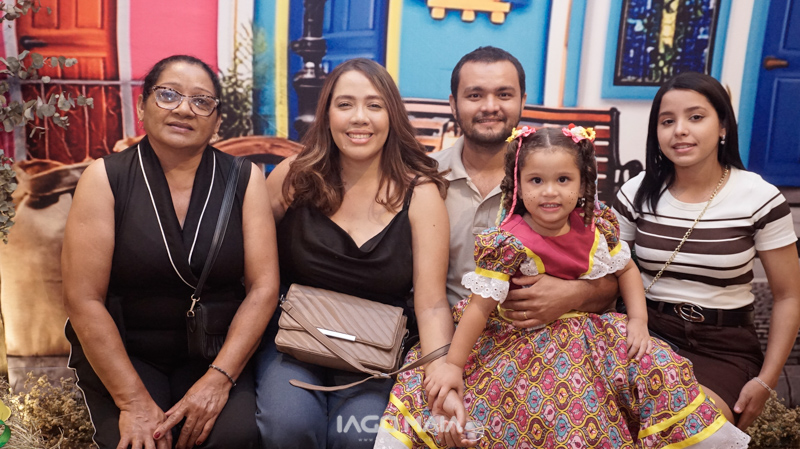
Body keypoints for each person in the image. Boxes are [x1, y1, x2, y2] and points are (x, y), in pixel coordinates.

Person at [377, 126, 750, 448]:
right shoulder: (508, 241)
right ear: (518, 185)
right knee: (547, 403)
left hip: (588, 336)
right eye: (536, 181)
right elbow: (479, 306)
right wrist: (454, 365)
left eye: (563, 180)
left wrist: (638, 321)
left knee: (656, 367)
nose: (549, 192)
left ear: (583, 184)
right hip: (517, 338)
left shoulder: (596, 228)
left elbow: (626, 269)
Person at [62, 55, 278, 449]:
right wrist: (132, 402)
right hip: (128, 354)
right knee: (143, 443)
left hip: (216, 350)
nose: (184, 109)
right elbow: (83, 299)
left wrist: (219, 379)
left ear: (217, 121)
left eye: (201, 101)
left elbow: (264, 287)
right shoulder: (105, 178)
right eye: (168, 95)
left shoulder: (244, 178)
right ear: (142, 106)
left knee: (233, 438)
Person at [255, 58, 454, 449]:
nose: (359, 117)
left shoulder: (421, 194)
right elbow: (247, 261)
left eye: (374, 105)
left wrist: (439, 375)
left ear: (392, 116)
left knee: (358, 437)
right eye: (345, 104)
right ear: (327, 114)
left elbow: (432, 305)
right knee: (289, 426)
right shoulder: (294, 177)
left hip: (375, 356)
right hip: (292, 344)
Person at [613, 71, 800, 430]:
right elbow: (608, 273)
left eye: (696, 117)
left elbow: (789, 295)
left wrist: (767, 380)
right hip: (647, 332)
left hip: (723, 344)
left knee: (694, 428)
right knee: (617, 422)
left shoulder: (759, 198)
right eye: (667, 121)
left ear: (723, 126)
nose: (680, 130)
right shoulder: (635, 193)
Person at [430, 46, 618, 327]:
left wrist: (575, 293)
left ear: (522, 101)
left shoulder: (556, 181)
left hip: (547, 338)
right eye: (475, 95)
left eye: (504, 94)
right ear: (453, 104)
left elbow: (613, 279)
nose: (490, 106)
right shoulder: (425, 177)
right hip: (448, 332)